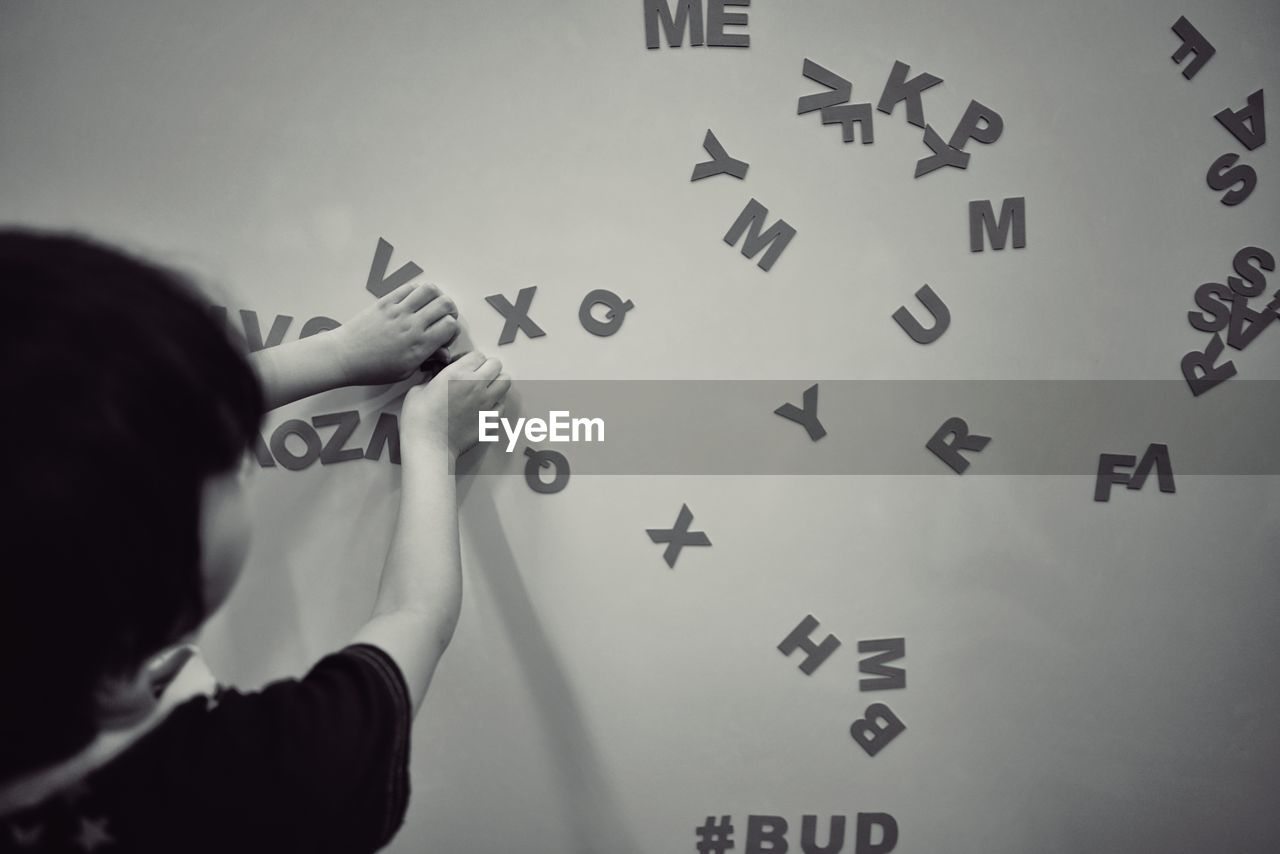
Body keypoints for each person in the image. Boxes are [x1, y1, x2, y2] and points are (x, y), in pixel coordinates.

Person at [0, 228, 510, 851]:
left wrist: (340, 355)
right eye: (216, 460)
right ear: (162, 557)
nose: (237, 453)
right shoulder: (269, 780)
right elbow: (416, 613)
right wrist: (433, 443)